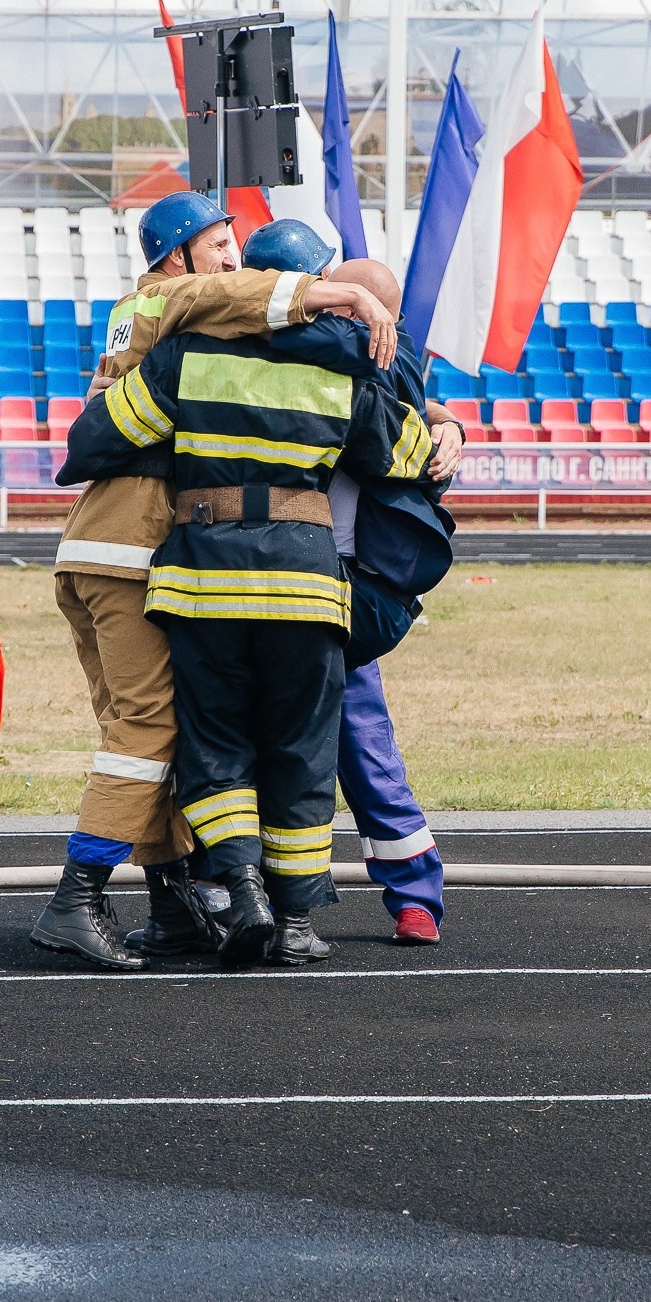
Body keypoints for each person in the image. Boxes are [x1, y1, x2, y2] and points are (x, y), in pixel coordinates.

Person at [31, 190, 399, 971]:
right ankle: (79, 899)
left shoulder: (174, 343)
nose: (232, 259)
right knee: (165, 735)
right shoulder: (180, 304)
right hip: (147, 556)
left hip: (133, 557)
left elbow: (87, 443)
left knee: (179, 739)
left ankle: (178, 906)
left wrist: (110, 410)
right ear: (177, 257)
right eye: (218, 243)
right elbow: (398, 454)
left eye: (238, 246)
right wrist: (360, 309)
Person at [109, 264, 440, 968]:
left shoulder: (200, 359)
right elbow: (411, 453)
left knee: (224, 746)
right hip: (316, 598)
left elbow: (95, 441)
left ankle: (247, 892)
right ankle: (293, 916)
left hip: (222, 588)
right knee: (310, 754)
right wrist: (440, 428)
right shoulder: (351, 377)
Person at [230, 227, 466, 946]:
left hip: (329, 585)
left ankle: (405, 891)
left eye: (362, 307)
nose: (351, 315)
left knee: (352, 740)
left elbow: (398, 410)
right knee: (259, 742)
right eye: (337, 296)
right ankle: (243, 894)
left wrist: (443, 421)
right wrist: (440, 422)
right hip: (258, 577)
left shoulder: (363, 361)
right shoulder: (258, 342)